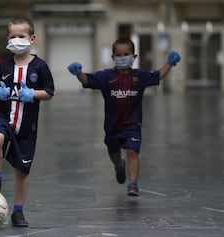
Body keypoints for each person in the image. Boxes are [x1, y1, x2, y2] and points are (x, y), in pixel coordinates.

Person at [67, 38, 180, 196]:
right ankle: (119, 166)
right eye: (119, 55)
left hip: (132, 125)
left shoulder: (139, 76)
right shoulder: (106, 76)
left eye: (126, 54)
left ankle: (133, 183)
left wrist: (169, 63)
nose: (122, 57)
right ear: (113, 57)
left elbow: (158, 75)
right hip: (112, 127)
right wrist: (78, 73)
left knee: (132, 152)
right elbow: (87, 80)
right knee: (113, 152)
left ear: (134, 56)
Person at [0, 17, 55, 227]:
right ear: (7, 39)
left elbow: (49, 92)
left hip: (26, 126)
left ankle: (18, 211)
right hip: (4, 117)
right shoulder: (4, 65)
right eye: (12, 36)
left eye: (20, 36)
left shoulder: (40, 66)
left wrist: (32, 94)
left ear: (31, 38)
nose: (16, 40)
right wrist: (0, 92)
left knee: (22, 172)